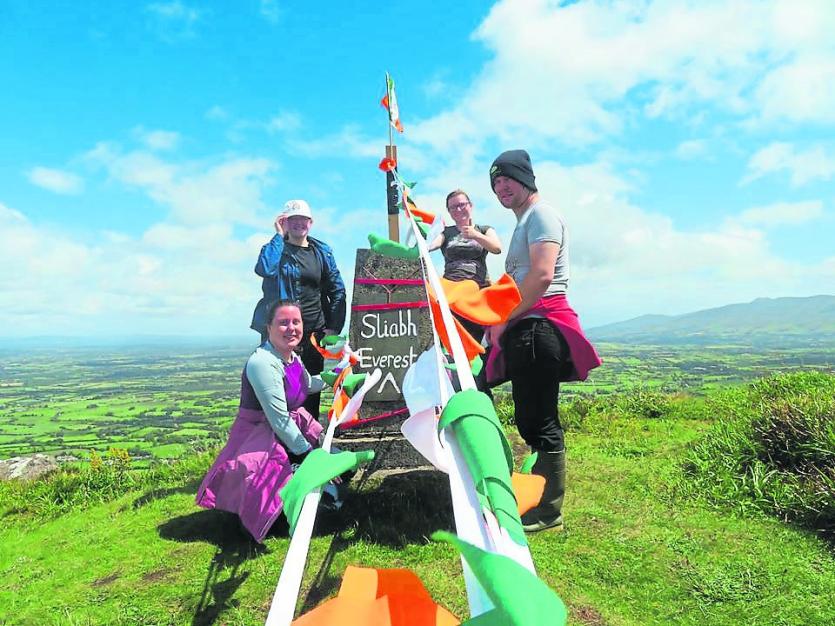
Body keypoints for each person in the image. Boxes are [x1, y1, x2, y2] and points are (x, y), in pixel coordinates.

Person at [485, 150, 601, 533]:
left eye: (507, 178)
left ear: (525, 179)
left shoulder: (541, 215)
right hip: (527, 328)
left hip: (539, 327)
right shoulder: (524, 221)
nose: (502, 187)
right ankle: (533, 498)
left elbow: (541, 276)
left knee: (540, 420)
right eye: (496, 182)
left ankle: (548, 511)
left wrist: (503, 317)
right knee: (529, 418)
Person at [197, 300, 339, 542]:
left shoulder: (291, 357)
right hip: (259, 437)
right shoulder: (263, 363)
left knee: (335, 470)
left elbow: (308, 384)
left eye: (296, 322)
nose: (291, 328)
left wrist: (337, 374)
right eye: (283, 323)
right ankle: (265, 518)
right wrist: (308, 454)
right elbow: (279, 419)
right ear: (269, 328)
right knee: (274, 485)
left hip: (283, 432)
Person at [251, 200, 346, 420]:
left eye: (303, 219)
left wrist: (333, 327)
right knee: (279, 391)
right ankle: (281, 440)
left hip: (313, 333)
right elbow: (265, 269)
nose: (299, 223)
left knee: (310, 394)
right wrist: (278, 236)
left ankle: (308, 438)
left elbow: (337, 289)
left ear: (310, 223)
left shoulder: (322, 252)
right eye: (293, 219)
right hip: (282, 333)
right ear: (284, 222)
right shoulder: (275, 249)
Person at [428, 189, 502, 393]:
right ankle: (458, 393)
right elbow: (432, 245)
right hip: (451, 295)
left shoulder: (484, 229)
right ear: (449, 212)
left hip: (476, 296)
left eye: (462, 204)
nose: (459, 209)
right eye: (453, 207)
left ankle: (480, 394)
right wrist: (423, 244)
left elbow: (496, 248)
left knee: (476, 349)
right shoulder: (447, 233)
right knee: (455, 348)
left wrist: (475, 235)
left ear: (470, 205)